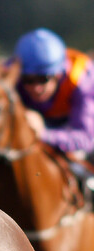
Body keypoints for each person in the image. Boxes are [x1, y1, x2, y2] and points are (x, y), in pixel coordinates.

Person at [12, 28, 94, 174]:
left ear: (58, 74)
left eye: (43, 79)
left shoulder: (82, 80)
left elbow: (86, 139)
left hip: (77, 132)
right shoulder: (12, 72)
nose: (36, 88)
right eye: (28, 80)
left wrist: (43, 134)